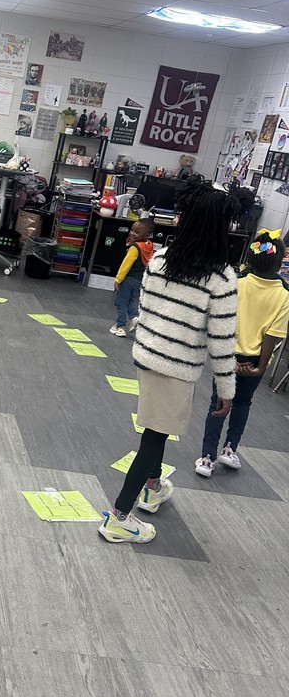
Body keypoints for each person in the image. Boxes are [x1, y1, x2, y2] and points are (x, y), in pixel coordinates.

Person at [99, 184, 238, 544]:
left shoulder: (159, 259)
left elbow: (145, 310)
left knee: (156, 428)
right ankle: (119, 516)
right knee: (154, 437)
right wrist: (226, 389)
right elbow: (222, 341)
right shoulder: (222, 278)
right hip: (178, 368)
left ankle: (152, 486)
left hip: (148, 359)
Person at [195, 231, 289, 476]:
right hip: (255, 361)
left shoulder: (236, 284)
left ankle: (206, 457)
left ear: (249, 260)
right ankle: (230, 450)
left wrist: (225, 358)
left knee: (217, 403)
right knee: (242, 404)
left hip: (227, 355)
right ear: (280, 264)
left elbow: (221, 321)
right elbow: (273, 335)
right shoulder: (284, 295)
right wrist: (260, 367)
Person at [110, 218, 154, 337]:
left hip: (128, 279)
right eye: (132, 230)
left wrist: (118, 279)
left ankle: (120, 326)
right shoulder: (150, 246)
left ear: (146, 235)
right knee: (132, 301)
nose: (132, 233)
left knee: (120, 302)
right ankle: (134, 318)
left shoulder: (135, 247)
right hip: (140, 280)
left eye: (137, 232)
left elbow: (126, 264)